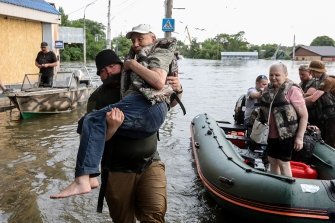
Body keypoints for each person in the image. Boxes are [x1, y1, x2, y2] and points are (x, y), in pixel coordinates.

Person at [51, 24, 180, 199]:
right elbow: (93, 137)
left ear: (121, 65)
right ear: (99, 76)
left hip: (149, 161)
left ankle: (84, 178)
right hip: (117, 166)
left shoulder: (134, 76)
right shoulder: (97, 97)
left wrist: (178, 89)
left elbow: (164, 98)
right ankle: (89, 176)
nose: (108, 72)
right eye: (103, 71)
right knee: (86, 122)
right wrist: (111, 128)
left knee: (154, 214)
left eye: (112, 66)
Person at [257, 63, 308, 177]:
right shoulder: (267, 89)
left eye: (277, 75)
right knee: (272, 160)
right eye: (271, 75)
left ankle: (287, 187)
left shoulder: (293, 90)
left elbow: (304, 116)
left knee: (283, 163)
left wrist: (299, 138)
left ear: (285, 75)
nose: (273, 77)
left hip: (286, 134)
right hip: (270, 134)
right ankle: (276, 185)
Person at [304, 60, 335, 147]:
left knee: (331, 139)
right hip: (328, 114)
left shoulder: (327, 81)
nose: (310, 73)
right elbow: (315, 94)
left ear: (315, 71)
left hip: (332, 115)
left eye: (311, 71)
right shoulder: (323, 80)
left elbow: (313, 98)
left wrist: (299, 102)